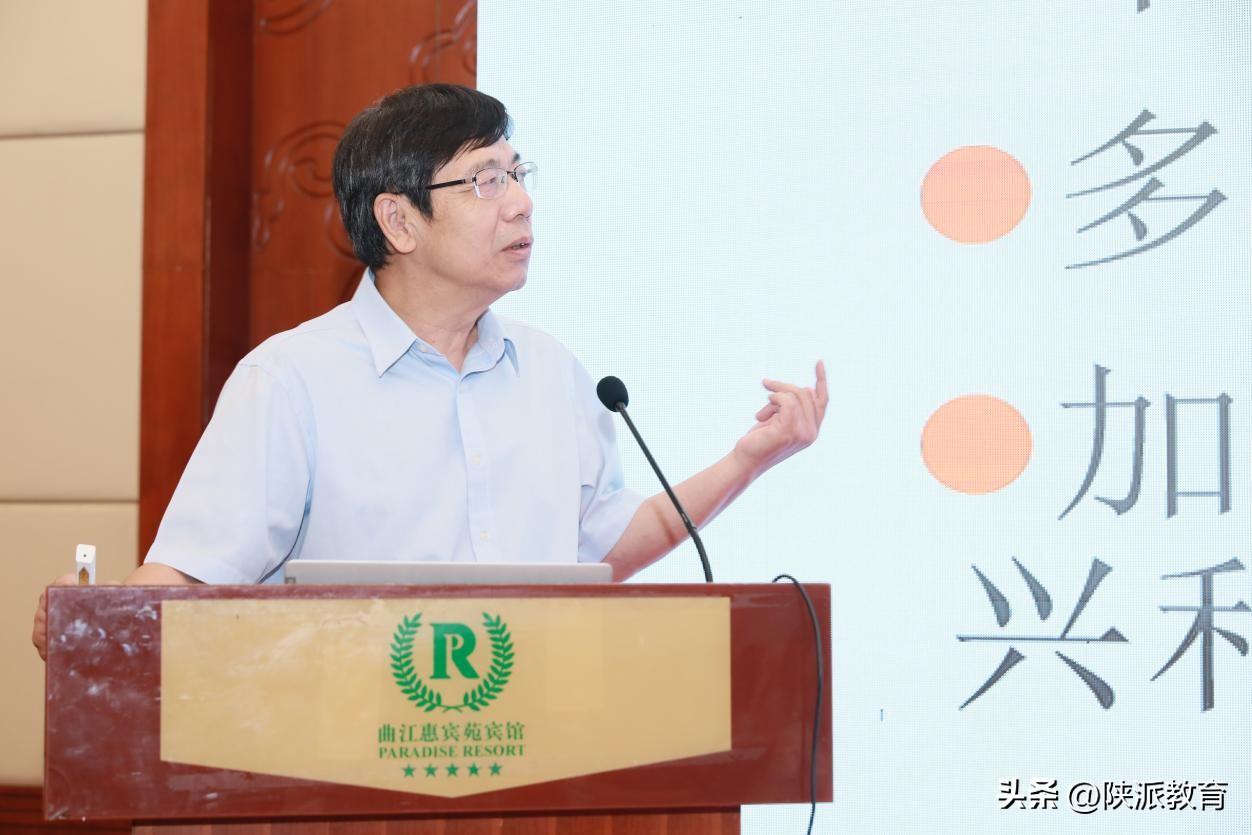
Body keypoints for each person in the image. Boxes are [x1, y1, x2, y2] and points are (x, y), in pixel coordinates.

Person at [32, 83, 826, 659]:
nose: (521, 202)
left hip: (534, 765)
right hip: (334, 769)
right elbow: (190, 575)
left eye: (519, 173)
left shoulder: (553, 373)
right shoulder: (290, 381)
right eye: (486, 180)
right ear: (399, 220)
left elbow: (599, 549)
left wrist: (748, 460)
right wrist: (93, 622)